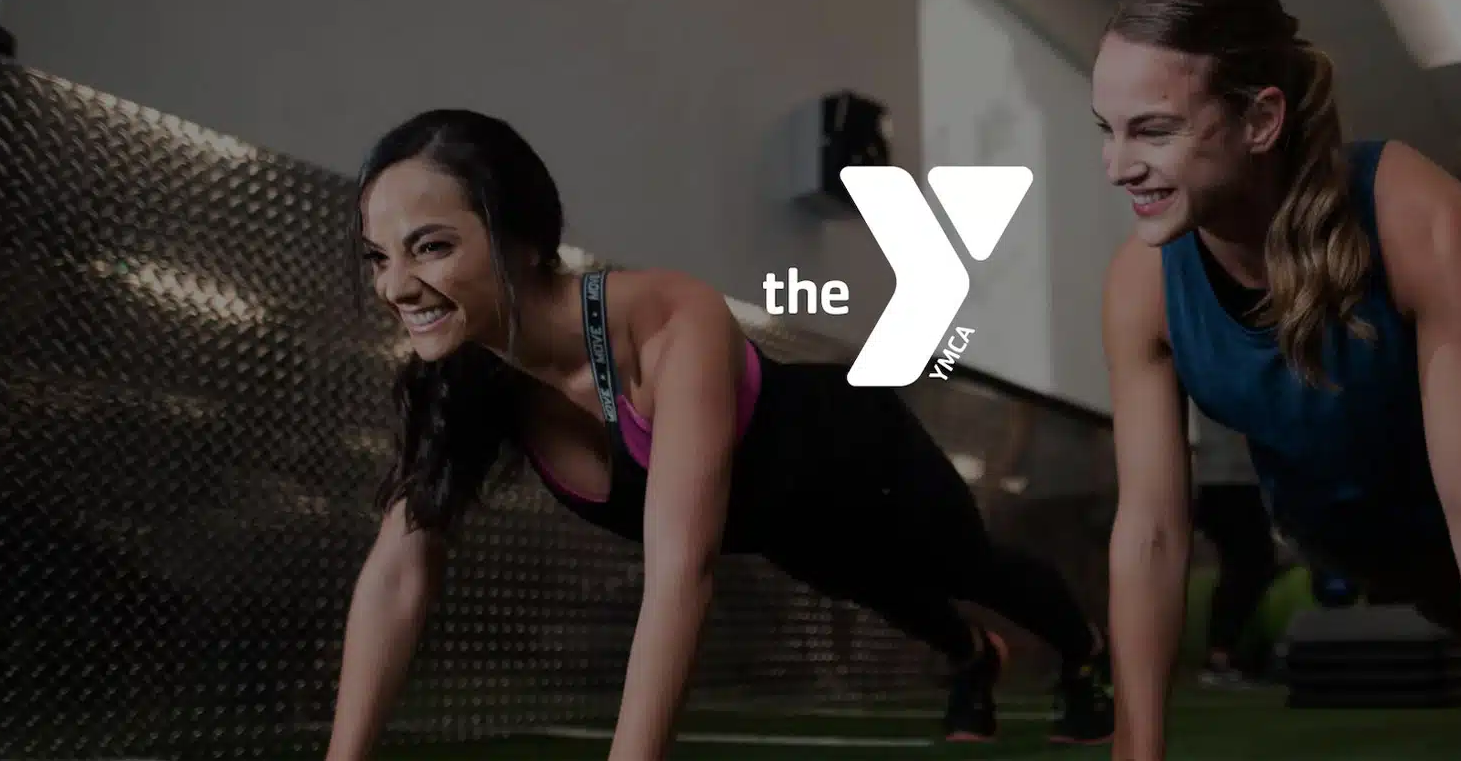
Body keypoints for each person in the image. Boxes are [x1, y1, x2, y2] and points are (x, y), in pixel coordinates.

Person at [325, 109, 1114, 760]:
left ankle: (1084, 654)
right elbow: (399, 573)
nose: (395, 285)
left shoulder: (668, 320)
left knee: (962, 562)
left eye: (431, 246)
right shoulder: (467, 377)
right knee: (878, 590)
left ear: (523, 237)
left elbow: (680, 576)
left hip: (857, 451)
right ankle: (975, 659)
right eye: (377, 257)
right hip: (776, 521)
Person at [1091, 0, 1461, 761]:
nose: (1118, 166)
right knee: (1445, 601)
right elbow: (1153, 531)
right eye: (1107, 129)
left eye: (1153, 130)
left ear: (1260, 119)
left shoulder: (1420, 218)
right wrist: (1136, 750)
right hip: (1335, 513)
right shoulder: (1141, 283)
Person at [1185, 402, 1279, 687]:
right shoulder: (1228, 369)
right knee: (1249, 566)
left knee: (1245, 567)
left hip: (1227, 481)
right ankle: (1219, 657)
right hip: (1230, 482)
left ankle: (1222, 655)